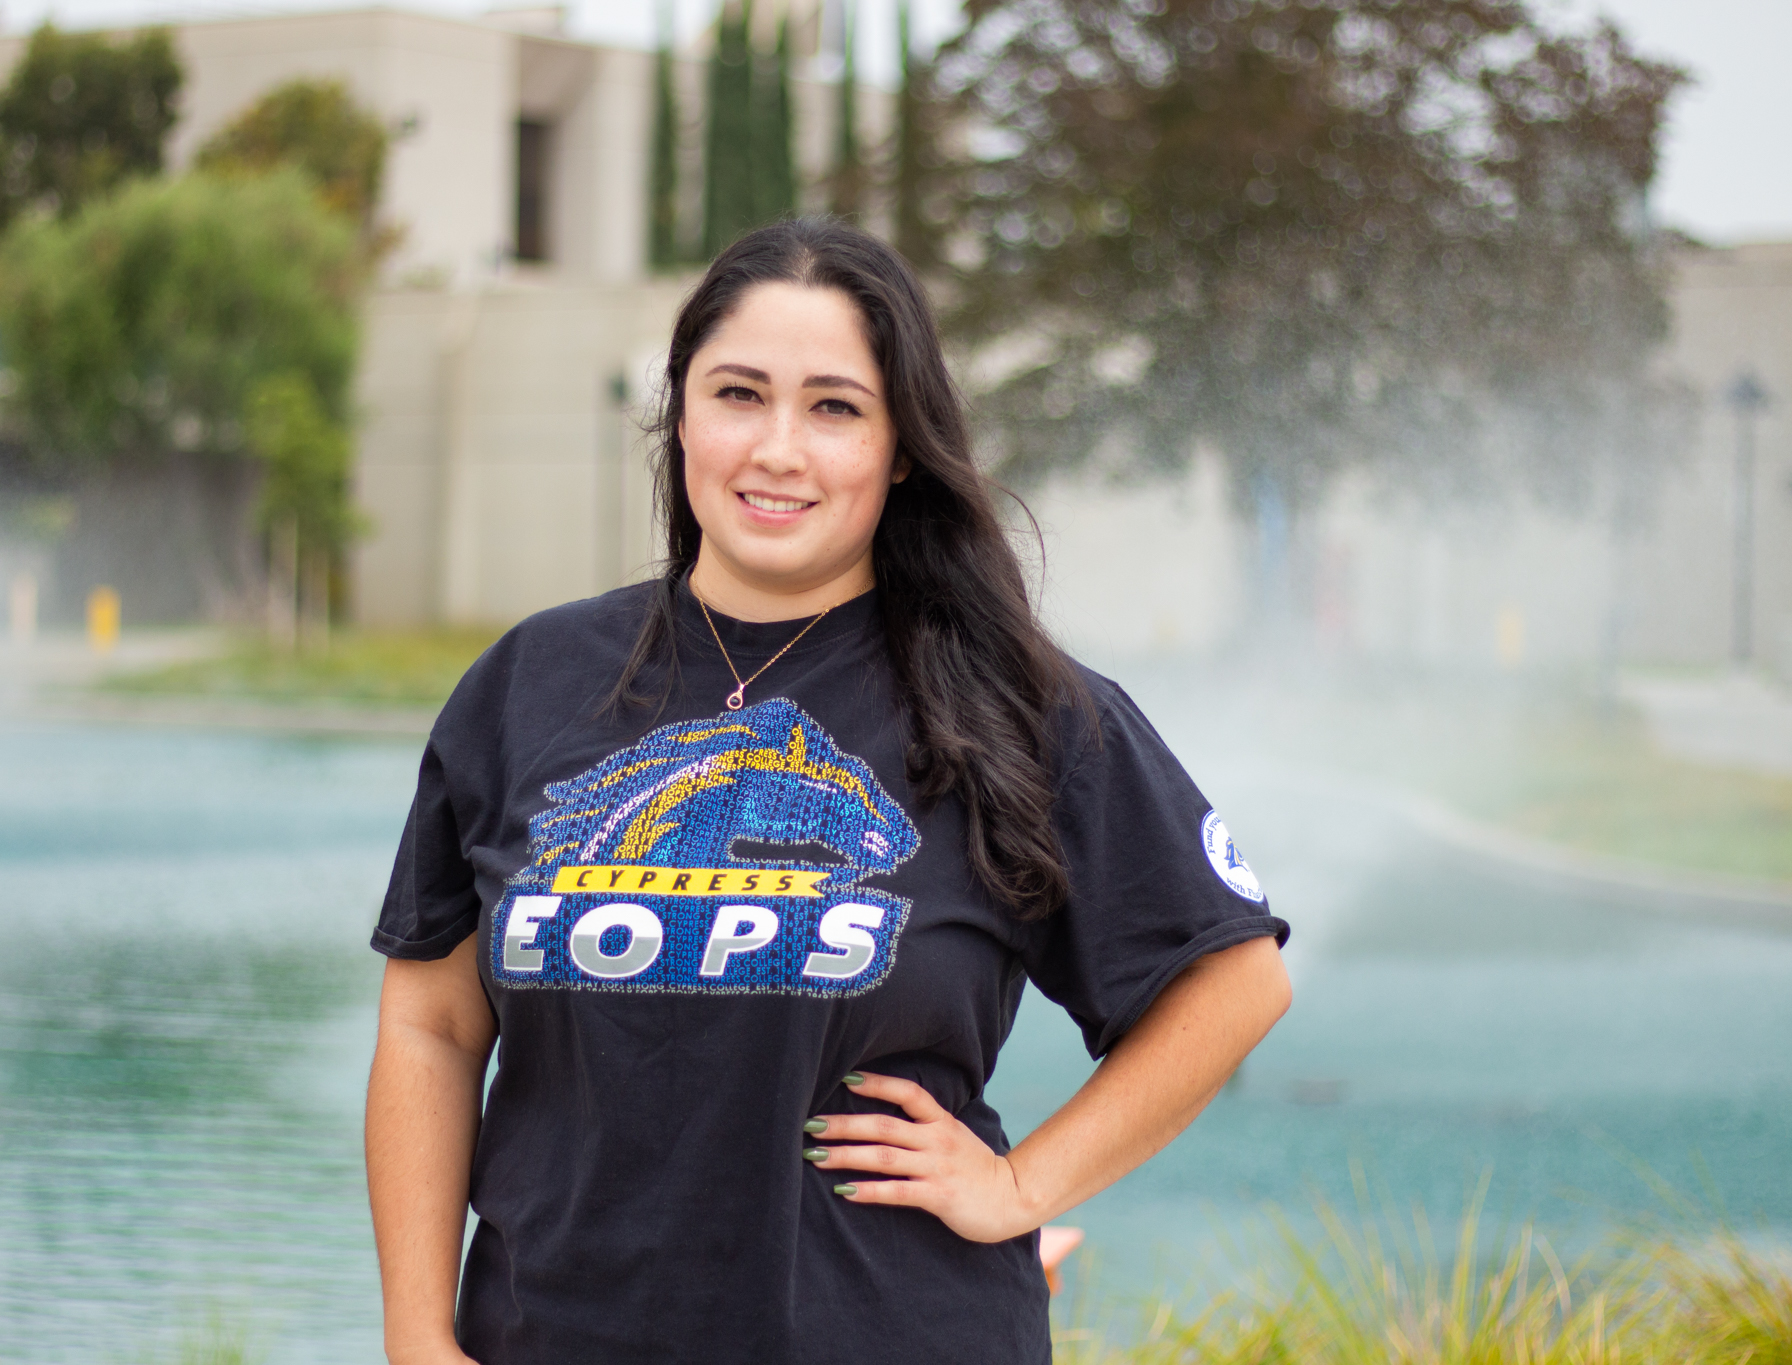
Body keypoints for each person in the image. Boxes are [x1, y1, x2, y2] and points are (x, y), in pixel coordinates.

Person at [364, 217, 1292, 1365]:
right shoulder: (530, 684)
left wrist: (1015, 1186)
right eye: (738, 394)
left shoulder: (1007, 703)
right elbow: (432, 1025)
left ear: (901, 445)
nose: (777, 451)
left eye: (834, 408)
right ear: (680, 413)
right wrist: (415, 1331)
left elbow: (1232, 982)